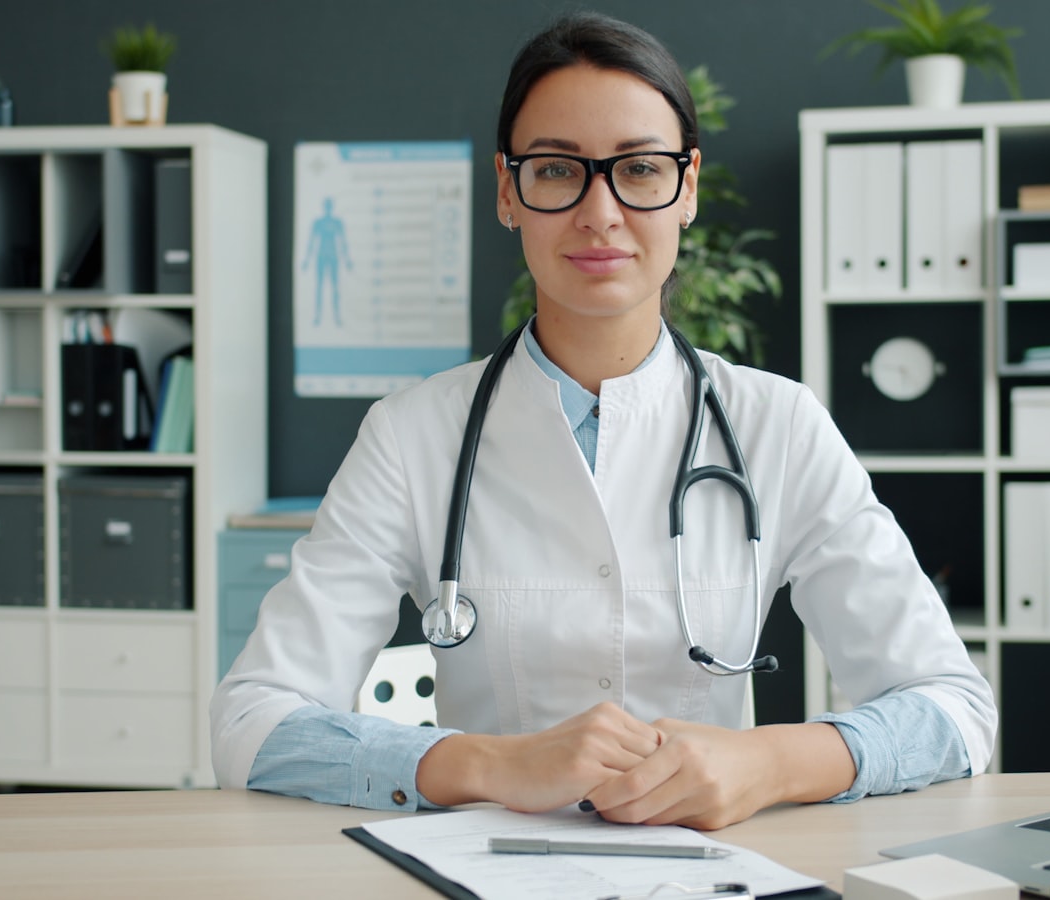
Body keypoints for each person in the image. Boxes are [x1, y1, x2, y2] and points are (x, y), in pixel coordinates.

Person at [211, 11, 996, 831]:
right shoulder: (412, 435)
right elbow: (251, 722)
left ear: (686, 188)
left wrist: (768, 762)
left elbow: (955, 709)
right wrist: (488, 762)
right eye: (557, 171)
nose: (600, 212)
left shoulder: (779, 425)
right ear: (509, 191)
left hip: (714, 873)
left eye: (640, 170)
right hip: (479, 874)